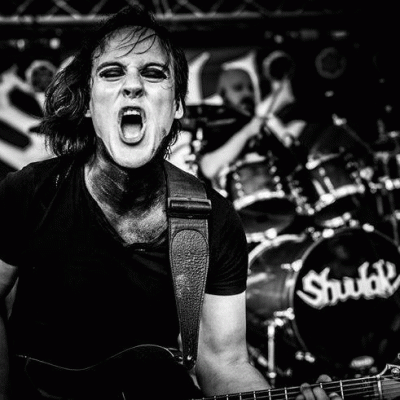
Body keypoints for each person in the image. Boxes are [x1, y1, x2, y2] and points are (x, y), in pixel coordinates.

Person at [0, 5, 341, 400]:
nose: (132, 86)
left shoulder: (212, 221)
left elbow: (224, 363)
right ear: (90, 104)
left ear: (177, 105)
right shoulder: (30, 192)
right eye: (112, 73)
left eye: (153, 73)